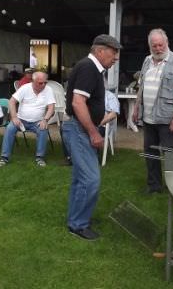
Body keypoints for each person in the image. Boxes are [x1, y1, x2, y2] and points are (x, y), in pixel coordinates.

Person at [63, 34, 121, 241]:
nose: (116, 58)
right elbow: (78, 103)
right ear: (100, 51)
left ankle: (76, 219)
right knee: (91, 179)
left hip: (79, 127)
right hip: (80, 128)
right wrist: (94, 132)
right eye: (113, 53)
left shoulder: (93, 68)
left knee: (81, 179)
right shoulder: (89, 67)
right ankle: (78, 225)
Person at [132, 28, 173, 194]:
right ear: (150, 46)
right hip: (148, 117)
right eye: (154, 45)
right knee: (150, 153)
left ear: (167, 43)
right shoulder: (147, 61)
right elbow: (141, 86)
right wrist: (136, 108)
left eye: (160, 45)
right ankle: (154, 186)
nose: (158, 48)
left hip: (167, 118)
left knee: (170, 154)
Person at [0, 71, 56, 167]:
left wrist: (45, 120)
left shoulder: (48, 90)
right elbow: (11, 102)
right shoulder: (25, 88)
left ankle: (40, 157)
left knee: (43, 129)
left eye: (45, 82)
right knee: (10, 128)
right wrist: (14, 117)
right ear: (33, 81)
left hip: (37, 121)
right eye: (40, 83)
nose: (43, 85)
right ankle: (4, 158)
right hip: (21, 120)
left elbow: (51, 107)